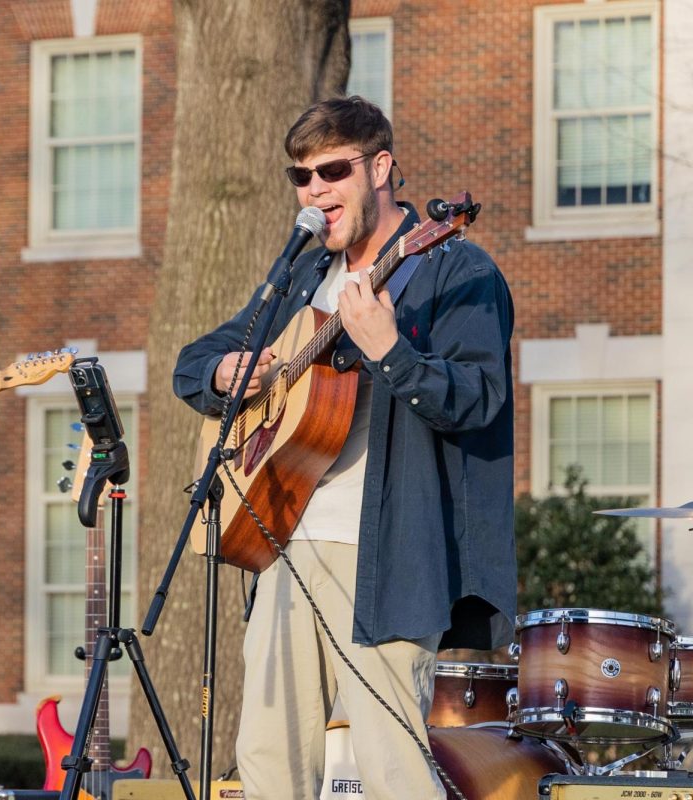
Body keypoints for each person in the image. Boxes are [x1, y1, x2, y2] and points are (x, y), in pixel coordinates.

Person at [172, 96, 516, 799]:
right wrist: (222, 371)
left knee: (391, 764)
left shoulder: (454, 268)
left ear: (381, 166)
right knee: (267, 758)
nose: (315, 189)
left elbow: (477, 397)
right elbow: (192, 361)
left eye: (332, 169)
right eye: (301, 177)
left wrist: (389, 348)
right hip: (285, 544)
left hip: (391, 555)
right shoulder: (303, 278)